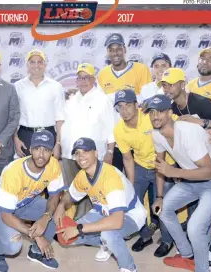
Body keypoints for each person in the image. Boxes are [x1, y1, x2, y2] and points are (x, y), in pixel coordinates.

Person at [145, 95, 211, 272]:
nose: (155, 116)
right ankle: (187, 255)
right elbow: (161, 166)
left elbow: (209, 173)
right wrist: (160, 196)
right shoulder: (156, 133)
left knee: (195, 227)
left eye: (160, 111)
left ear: (170, 113)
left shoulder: (187, 132)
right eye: (151, 112)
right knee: (163, 209)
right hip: (194, 176)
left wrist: (174, 172)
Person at [159, 67, 211, 267]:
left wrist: (205, 123)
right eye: (164, 85)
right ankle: (199, 247)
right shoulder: (171, 108)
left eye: (172, 84)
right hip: (203, 162)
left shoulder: (200, 102)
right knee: (204, 208)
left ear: (182, 84)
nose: (168, 88)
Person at [55, 137, 147, 272]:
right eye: (77, 153)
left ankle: (129, 268)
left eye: (85, 151)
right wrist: (61, 206)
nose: (81, 156)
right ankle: (106, 244)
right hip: (102, 212)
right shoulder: (82, 176)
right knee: (70, 237)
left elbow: (117, 221)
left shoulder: (111, 177)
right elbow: (69, 196)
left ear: (96, 153)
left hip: (130, 216)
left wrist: (79, 228)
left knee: (108, 234)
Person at [0, 130, 65, 272]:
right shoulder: (13, 172)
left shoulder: (53, 165)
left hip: (26, 201)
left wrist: (45, 217)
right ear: (31, 149)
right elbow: (6, 216)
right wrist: (37, 236)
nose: (41, 154)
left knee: (56, 216)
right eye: (37, 149)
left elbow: (54, 196)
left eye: (46, 150)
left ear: (52, 152)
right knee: (14, 245)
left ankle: (35, 252)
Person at [60, 63, 116, 219]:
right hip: (70, 155)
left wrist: (110, 152)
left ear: (94, 79)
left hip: (92, 157)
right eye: (80, 78)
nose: (83, 81)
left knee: (92, 191)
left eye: (87, 77)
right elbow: (63, 124)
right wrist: (59, 145)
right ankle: (75, 223)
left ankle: (90, 226)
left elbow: (111, 128)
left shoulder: (103, 100)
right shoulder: (71, 100)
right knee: (73, 191)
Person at [97, 33, 152, 172]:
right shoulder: (103, 75)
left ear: (125, 49)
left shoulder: (141, 70)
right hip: (115, 139)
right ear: (107, 53)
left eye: (118, 48)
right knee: (115, 181)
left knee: (139, 182)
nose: (115, 53)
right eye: (111, 49)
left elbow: (149, 104)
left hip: (138, 139)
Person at [113, 89, 160, 252]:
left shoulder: (150, 116)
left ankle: (167, 240)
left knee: (163, 204)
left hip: (162, 165)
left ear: (136, 105)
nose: (124, 110)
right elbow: (127, 158)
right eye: (120, 107)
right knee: (134, 203)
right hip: (140, 165)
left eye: (128, 105)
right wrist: (131, 185)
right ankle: (145, 236)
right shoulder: (119, 130)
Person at [13, 49, 65, 159]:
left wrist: (58, 144)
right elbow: (12, 116)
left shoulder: (56, 86)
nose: (36, 65)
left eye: (40, 62)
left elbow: (60, 118)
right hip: (25, 136)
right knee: (25, 172)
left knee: (48, 173)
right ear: (27, 65)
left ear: (45, 65)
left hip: (49, 135)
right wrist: (15, 139)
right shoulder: (17, 86)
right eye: (32, 62)